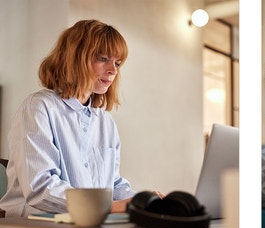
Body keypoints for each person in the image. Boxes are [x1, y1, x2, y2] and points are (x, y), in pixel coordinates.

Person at [0, 20, 163, 217]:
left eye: (117, 63)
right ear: (75, 58)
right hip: (36, 226)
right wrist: (109, 208)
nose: (113, 70)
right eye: (103, 58)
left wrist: (144, 201)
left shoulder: (105, 123)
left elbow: (113, 184)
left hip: (86, 225)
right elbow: (41, 189)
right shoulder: (38, 108)